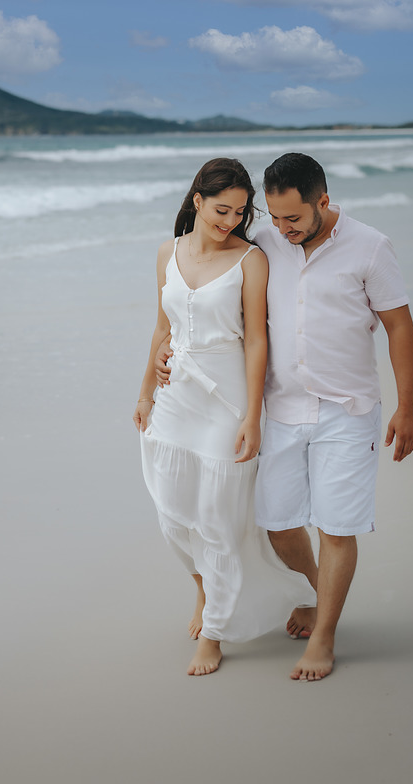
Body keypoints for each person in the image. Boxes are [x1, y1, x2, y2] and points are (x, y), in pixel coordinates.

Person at [156, 152, 413, 681]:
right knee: (278, 526)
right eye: (272, 218)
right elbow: (214, 302)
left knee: (337, 527)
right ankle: (316, 591)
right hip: (281, 408)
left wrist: (408, 407)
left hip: (348, 410)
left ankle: (323, 636)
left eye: (293, 218)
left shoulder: (370, 247)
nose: (281, 228)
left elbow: (399, 327)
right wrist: (172, 351)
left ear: (323, 202)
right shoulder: (267, 245)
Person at [134, 158, 316, 677]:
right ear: (196, 200)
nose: (230, 221)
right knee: (173, 517)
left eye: (239, 212)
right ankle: (204, 590)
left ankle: (214, 632)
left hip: (226, 400)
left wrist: (253, 415)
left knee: (217, 518)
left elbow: (256, 339)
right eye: (221, 209)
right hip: (175, 400)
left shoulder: (250, 260)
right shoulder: (167, 252)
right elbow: (161, 328)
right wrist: (145, 389)